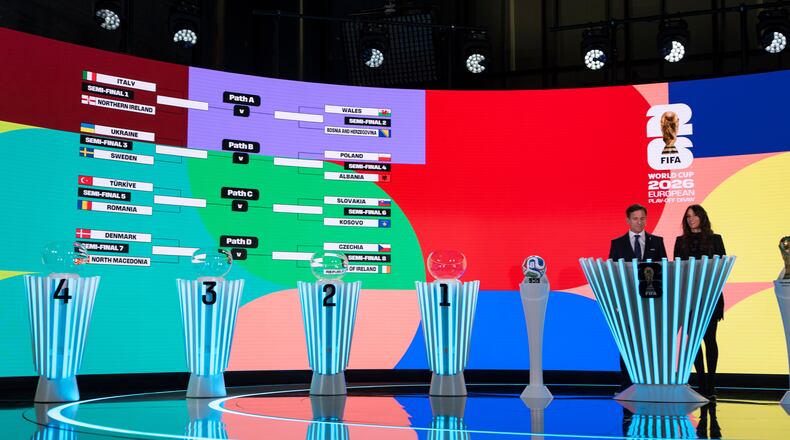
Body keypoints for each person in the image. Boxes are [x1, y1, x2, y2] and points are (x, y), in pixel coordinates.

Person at [609, 204, 668, 391]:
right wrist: (616, 300)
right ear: (628, 220)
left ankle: (649, 381)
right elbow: (613, 274)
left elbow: (665, 271)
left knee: (650, 341)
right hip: (627, 301)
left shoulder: (657, 242)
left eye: (642, 218)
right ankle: (627, 384)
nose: (639, 222)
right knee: (627, 342)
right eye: (635, 218)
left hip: (651, 301)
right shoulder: (617, 243)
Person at [673, 204, 726, 398]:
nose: (691, 219)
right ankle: (701, 382)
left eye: (694, 216)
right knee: (694, 342)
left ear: (702, 217)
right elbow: (677, 271)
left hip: (710, 296)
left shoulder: (715, 239)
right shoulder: (680, 241)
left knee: (710, 340)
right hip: (688, 298)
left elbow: (721, 267)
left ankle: (711, 384)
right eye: (688, 217)